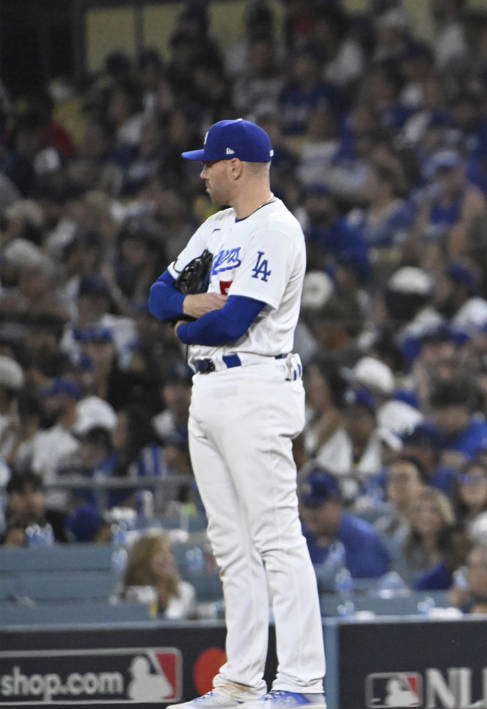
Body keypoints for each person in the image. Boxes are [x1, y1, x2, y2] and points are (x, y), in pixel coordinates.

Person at [148, 119, 324, 709]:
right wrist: (190, 308)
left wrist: (185, 322)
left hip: (256, 383)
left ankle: (301, 683)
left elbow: (233, 322)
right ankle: (242, 680)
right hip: (210, 389)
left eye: (207, 164)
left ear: (235, 167)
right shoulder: (218, 225)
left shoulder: (276, 229)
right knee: (230, 544)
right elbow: (155, 295)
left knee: (276, 537)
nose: (201, 173)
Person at [300, 470, 391, 580]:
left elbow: (369, 590)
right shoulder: (301, 538)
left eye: (316, 506)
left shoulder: (363, 539)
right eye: (307, 506)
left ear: (337, 504)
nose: (310, 514)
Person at [120, 532, 196, 620]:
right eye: (160, 552)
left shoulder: (186, 591)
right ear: (143, 559)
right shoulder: (128, 594)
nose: (167, 557)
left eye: (169, 552)